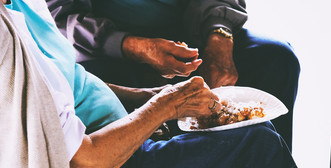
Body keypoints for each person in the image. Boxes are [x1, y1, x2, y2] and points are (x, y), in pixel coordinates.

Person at [1, 1, 298, 168]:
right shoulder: (6, 38)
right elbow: (83, 164)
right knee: (258, 150)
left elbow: (69, 79)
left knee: (248, 110)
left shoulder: (21, 7)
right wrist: (163, 106)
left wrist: (146, 96)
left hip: (105, 141)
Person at [46, 0, 300, 153]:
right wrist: (136, 47)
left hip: (191, 32)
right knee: (96, 98)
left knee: (275, 60)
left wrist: (219, 34)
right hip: (104, 49)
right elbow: (56, 16)